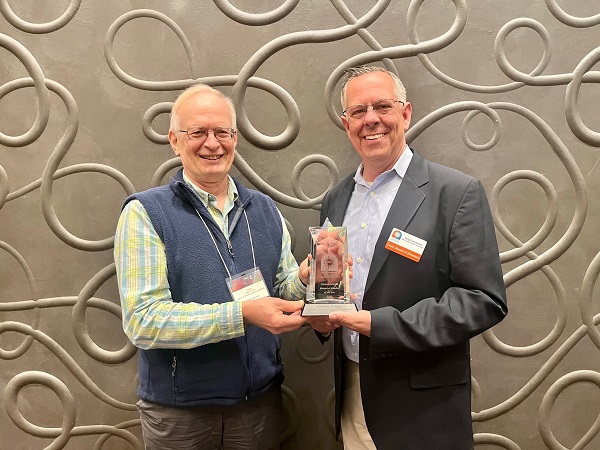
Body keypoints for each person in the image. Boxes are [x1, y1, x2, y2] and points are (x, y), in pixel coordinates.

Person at [309, 66, 508, 449]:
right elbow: (332, 288)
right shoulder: (336, 199)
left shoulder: (456, 193)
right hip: (352, 393)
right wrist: (320, 317)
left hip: (423, 410)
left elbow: (484, 301)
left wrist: (380, 325)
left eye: (382, 106)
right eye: (358, 111)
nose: (371, 119)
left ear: (405, 113)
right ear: (346, 123)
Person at [114, 84, 309, 450]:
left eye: (222, 132)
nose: (212, 143)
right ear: (174, 141)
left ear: (235, 138)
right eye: (198, 132)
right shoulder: (146, 213)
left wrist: (304, 278)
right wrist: (241, 315)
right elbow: (143, 320)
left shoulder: (265, 209)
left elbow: (282, 290)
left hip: (259, 405)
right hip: (179, 415)